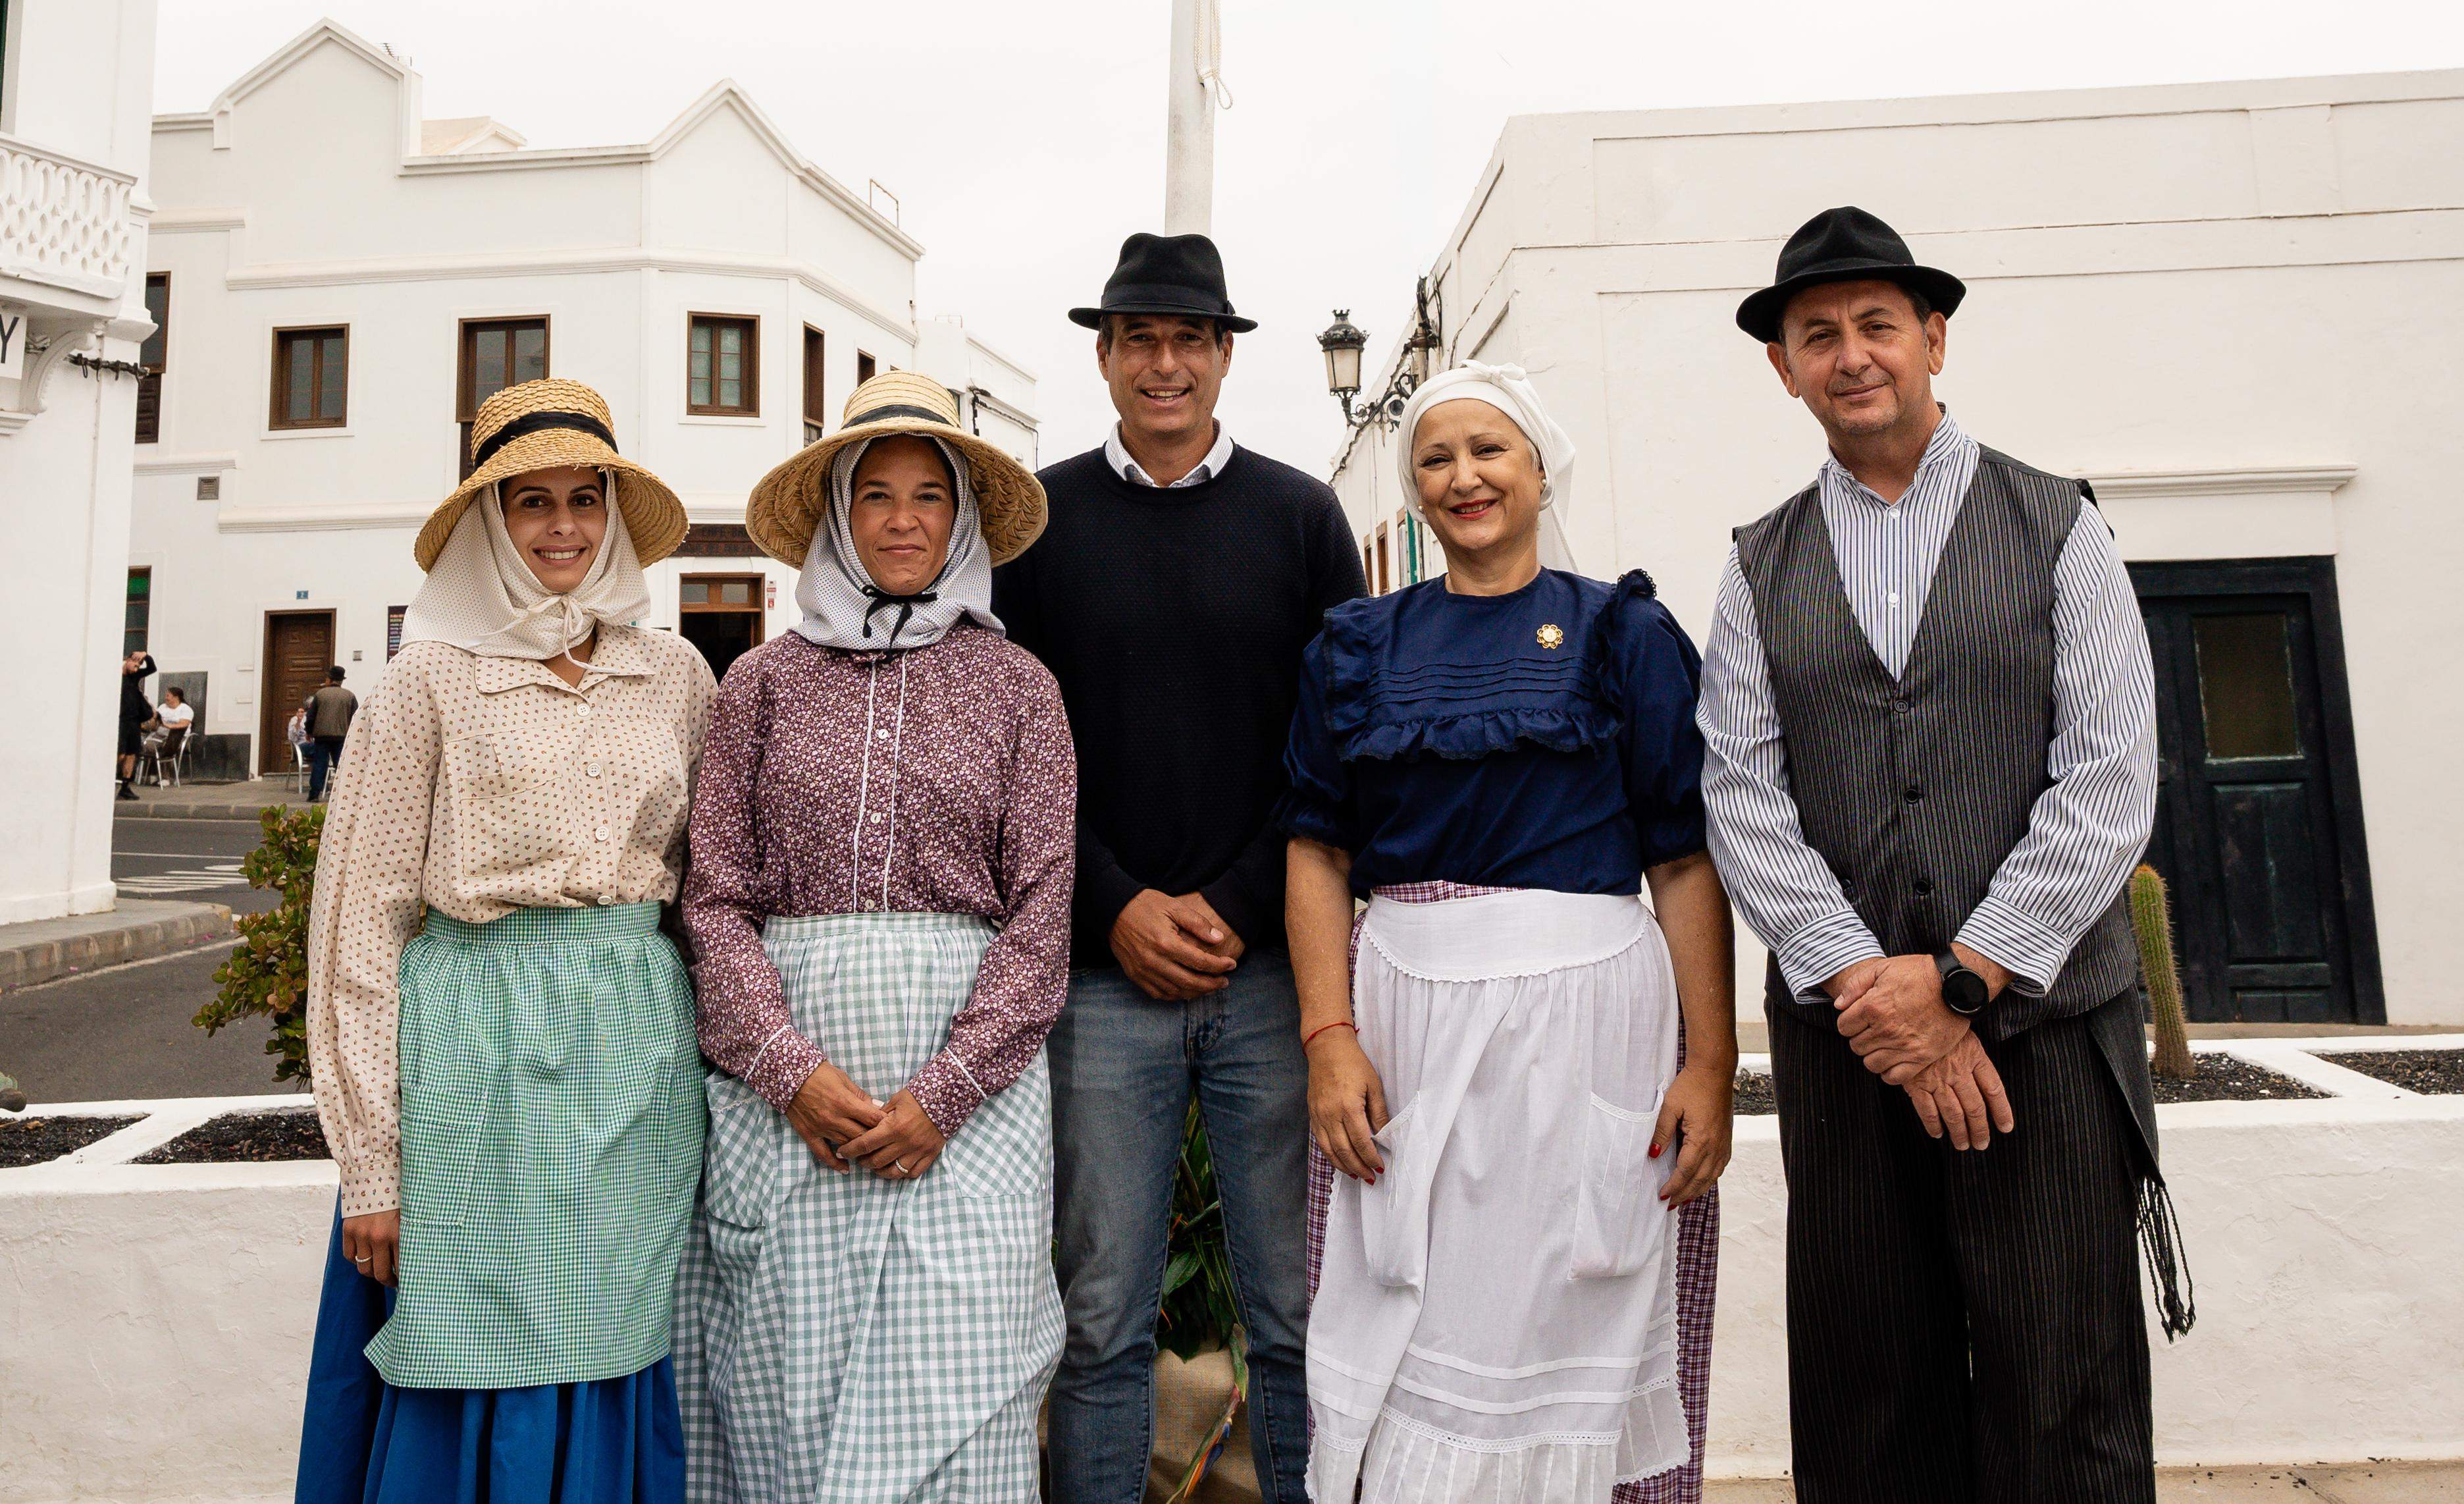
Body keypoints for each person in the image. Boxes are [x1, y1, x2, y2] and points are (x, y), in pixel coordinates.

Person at [1697, 206, 2187, 1504]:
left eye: (1873, 325)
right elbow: (1740, 795)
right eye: (1817, 335)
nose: (1849, 353)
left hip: (2043, 1030)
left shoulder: (2055, 525)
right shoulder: (1755, 565)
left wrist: (1959, 983)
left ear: (1931, 337)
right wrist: (1872, 991)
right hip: (1845, 1044)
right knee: (1866, 1392)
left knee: (2059, 1388)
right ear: (1781, 368)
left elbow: (2103, 777)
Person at [1284, 362, 1737, 1503]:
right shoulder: (1355, 645)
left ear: (1539, 470)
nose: (1463, 476)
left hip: (1589, 1025)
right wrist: (1327, 1034)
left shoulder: (1621, 632)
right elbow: (1317, 851)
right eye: (1434, 458)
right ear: (1412, 493)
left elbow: (1681, 859)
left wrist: (1709, 1061)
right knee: (1402, 1301)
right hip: (1405, 1018)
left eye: (1489, 450)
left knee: (1577, 1300)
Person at [992, 232, 1365, 1502]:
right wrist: (1117, 904)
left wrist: (1235, 900)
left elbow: (1336, 746)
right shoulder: (1033, 526)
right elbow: (1018, 755)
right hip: (1101, 979)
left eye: (1189, 338)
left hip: (1269, 973)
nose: (1164, 362)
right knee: (1099, 1318)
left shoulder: (1301, 515)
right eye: (1139, 338)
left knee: (1298, 1312)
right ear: (1102, 356)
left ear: (1221, 356)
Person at [294, 377, 714, 1502]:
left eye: (585, 498)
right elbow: (359, 920)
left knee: (618, 1326)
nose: (564, 525)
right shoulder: (424, 680)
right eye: (532, 502)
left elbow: (705, 892)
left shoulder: (673, 674)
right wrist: (371, 1161)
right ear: (491, 521)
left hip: (634, 1060)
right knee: (476, 1329)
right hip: (471, 1058)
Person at [673, 372, 1073, 1501]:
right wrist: (788, 1069)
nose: (903, 519)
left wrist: (946, 1089)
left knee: (967, 1381)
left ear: (963, 520)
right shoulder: (756, 684)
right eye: (876, 495)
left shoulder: (1018, 689)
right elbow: (713, 896)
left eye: (929, 496)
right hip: (791, 1091)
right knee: (788, 1388)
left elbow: (1041, 912)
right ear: (839, 516)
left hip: (971, 1101)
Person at [303, 666, 357, 802]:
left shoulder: (320, 695)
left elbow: (311, 717)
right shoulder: (349, 696)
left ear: (330, 679)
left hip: (322, 736)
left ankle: (314, 794)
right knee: (341, 765)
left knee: (320, 764)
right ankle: (344, 794)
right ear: (341, 681)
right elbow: (356, 717)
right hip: (341, 736)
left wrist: (309, 732)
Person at [116, 648, 156, 799]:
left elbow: (152, 668)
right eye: (135, 665)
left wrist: (146, 656)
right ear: (128, 660)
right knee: (120, 754)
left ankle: (125, 787)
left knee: (132, 754)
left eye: (139, 666)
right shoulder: (116, 676)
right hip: (121, 721)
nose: (137, 668)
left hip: (134, 721)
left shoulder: (135, 676)